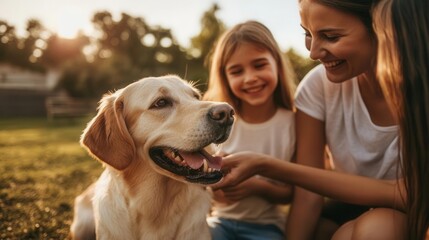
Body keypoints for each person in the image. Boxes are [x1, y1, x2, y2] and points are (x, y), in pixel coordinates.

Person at [214, 0, 429, 239]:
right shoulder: (317, 87)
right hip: (345, 209)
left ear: (381, 29)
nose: (313, 53)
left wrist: (265, 165)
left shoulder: (419, 93)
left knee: (376, 228)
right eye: (307, 34)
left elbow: (410, 195)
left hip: (405, 216)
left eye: (331, 36)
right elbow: (308, 196)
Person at [203, 20, 297, 240]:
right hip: (220, 222)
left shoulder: (292, 123)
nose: (250, 78)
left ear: (277, 64)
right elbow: (208, 194)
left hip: (266, 227)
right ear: (225, 77)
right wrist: (215, 179)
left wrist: (258, 187)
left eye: (259, 65)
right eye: (236, 71)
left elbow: (291, 194)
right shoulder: (218, 123)